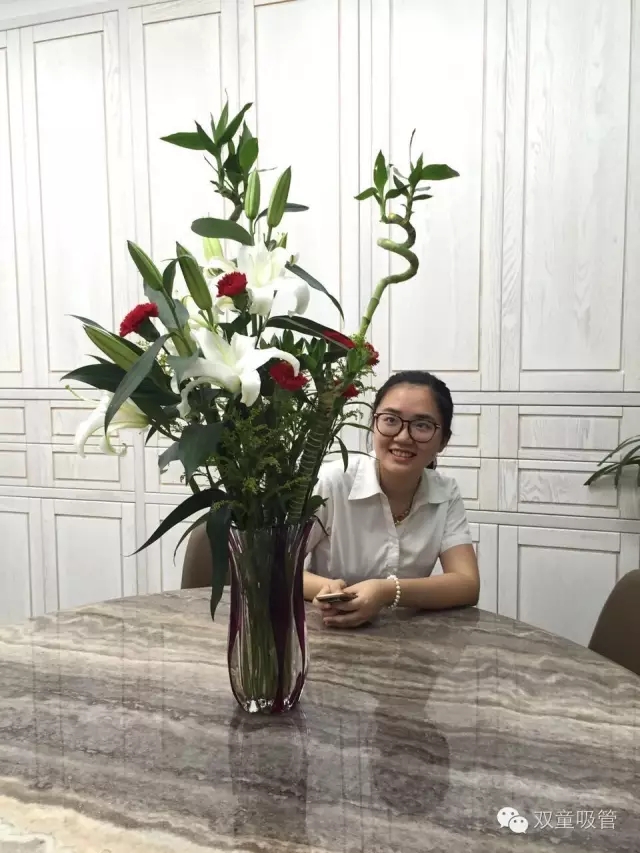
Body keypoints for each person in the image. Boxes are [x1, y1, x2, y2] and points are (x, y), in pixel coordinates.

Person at [303, 370, 480, 628]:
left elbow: (467, 584)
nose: (403, 437)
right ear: (373, 424)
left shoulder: (445, 492)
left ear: (443, 442)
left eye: (422, 425)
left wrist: (386, 591)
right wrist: (329, 591)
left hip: (408, 638)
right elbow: (276, 568)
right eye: (390, 420)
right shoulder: (333, 482)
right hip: (326, 628)